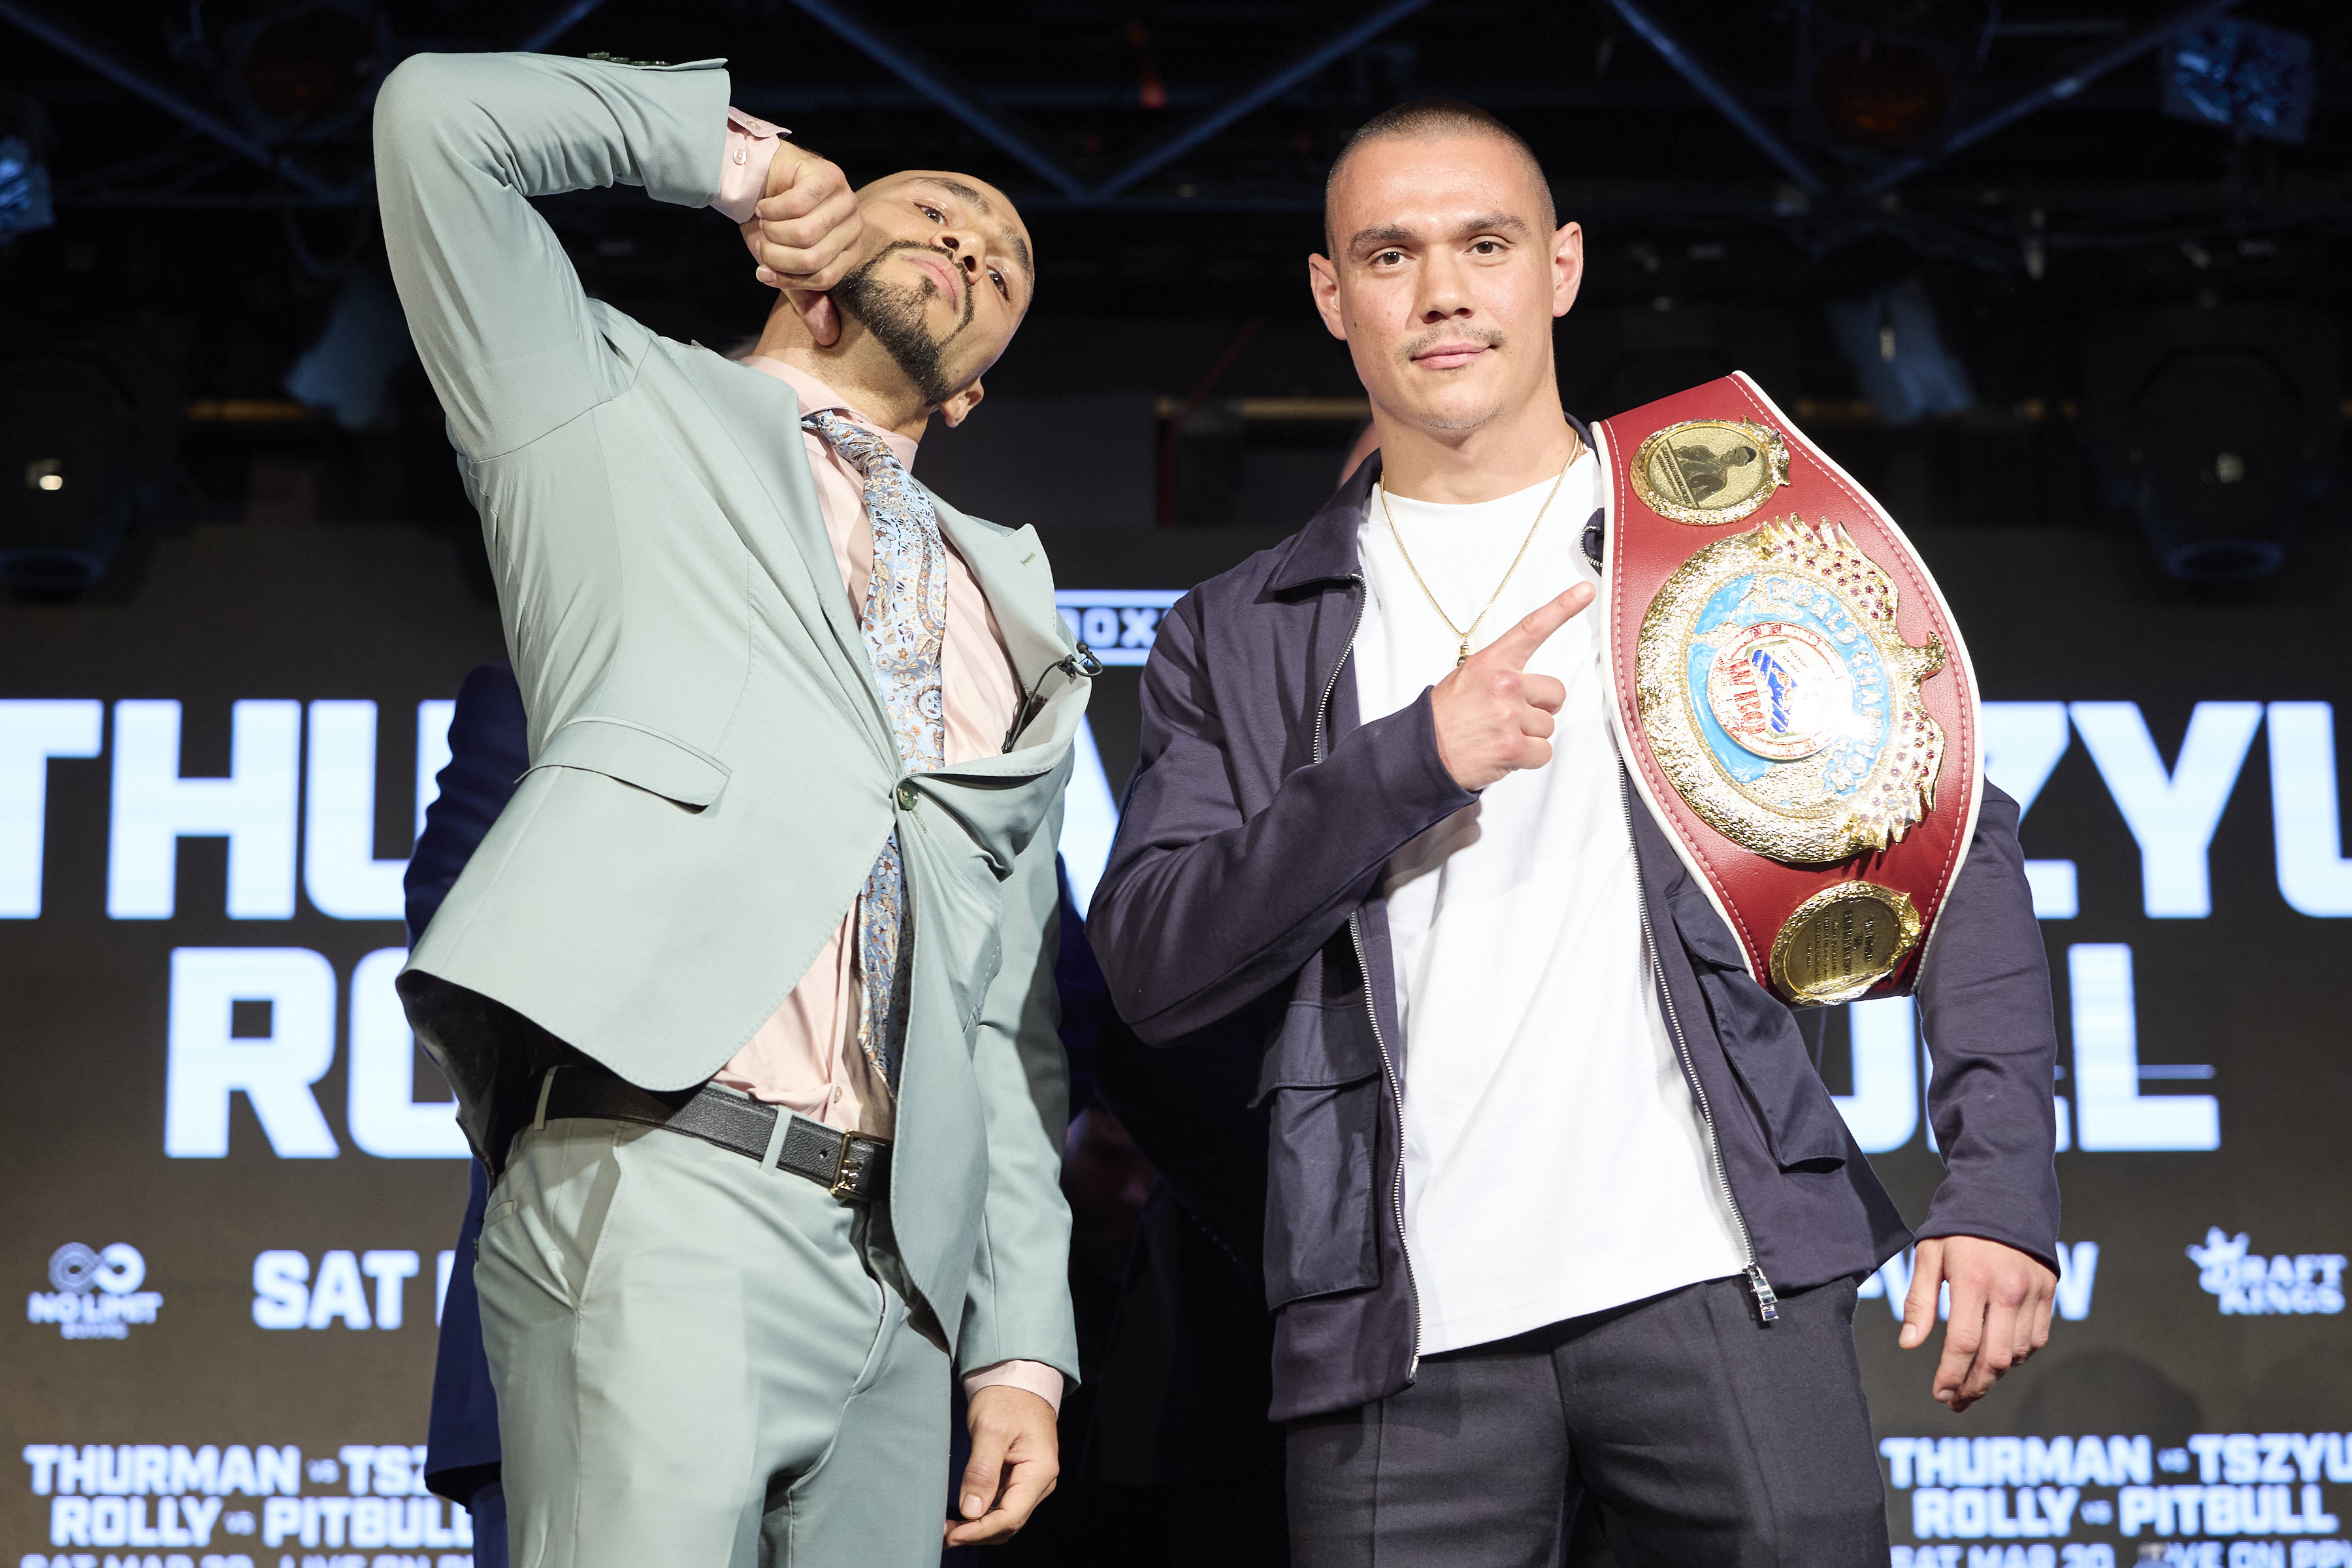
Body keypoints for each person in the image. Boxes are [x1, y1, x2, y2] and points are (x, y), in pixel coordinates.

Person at [1087, 99, 2061, 1566]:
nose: (1443, 291)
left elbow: (1955, 841)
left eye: (1486, 243)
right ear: (1329, 293)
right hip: (1396, 1340)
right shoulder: (1239, 630)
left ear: (1563, 266)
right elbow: (1156, 965)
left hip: (1717, 1277)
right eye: (1390, 253)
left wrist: (1998, 1188)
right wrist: (1408, 761)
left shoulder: (1723, 529)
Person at [375, 50, 1091, 1566]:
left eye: (1007, 261)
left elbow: (1002, 1008)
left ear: (975, 388)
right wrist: (737, 159)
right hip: (664, 1175)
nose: (974, 242)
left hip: (897, 1276)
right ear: (811, 257)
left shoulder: (1011, 611)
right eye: (937, 211)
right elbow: (436, 123)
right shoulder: (602, 409)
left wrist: (1018, 1340)